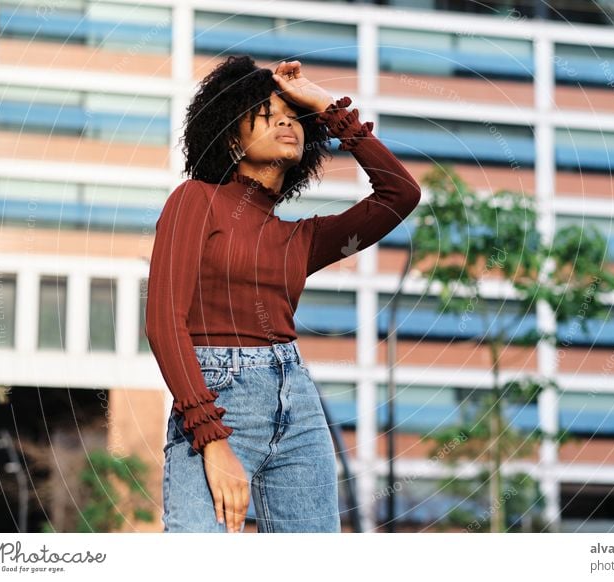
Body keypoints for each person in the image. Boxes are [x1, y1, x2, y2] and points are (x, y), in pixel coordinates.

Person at [145, 54, 421, 533]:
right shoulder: (195, 200)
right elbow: (165, 320)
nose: (286, 122)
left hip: (297, 404)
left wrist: (322, 104)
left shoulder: (301, 239)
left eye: (293, 116)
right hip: (214, 399)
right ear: (232, 135)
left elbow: (400, 194)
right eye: (268, 114)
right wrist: (211, 438)